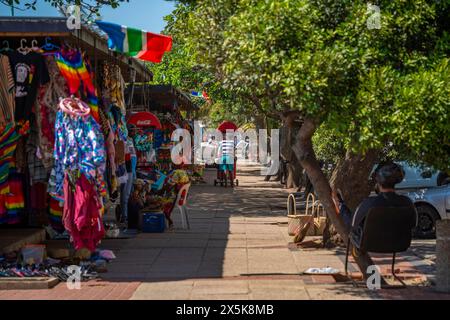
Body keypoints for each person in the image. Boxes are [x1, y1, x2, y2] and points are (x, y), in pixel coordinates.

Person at [335, 162, 417, 249]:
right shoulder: (407, 202)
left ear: (378, 182)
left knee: (349, 220)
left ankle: (340, 204)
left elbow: (352, 224)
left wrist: (341, 205)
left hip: (369, 245)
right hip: (400, 245)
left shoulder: (369, 203)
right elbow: (413, 224)